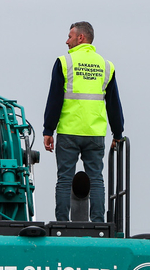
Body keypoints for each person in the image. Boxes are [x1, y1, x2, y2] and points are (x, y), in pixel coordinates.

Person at [42, 21, 124, 222]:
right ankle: (98, 223)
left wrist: (48, 130)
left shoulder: (64, 62)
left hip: (69, 132)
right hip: (95, 134)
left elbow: (55, 99)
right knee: (96, 179)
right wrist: (118, 134)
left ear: (81, 38)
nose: (66, 41)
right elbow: (114, 103)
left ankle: (62, 222)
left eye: (70, 36)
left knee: (64, 179)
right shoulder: (106, 66)